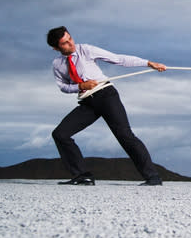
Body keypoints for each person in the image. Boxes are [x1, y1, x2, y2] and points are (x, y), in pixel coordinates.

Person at [47, 26, 167, 186]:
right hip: (88, 102)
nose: (71, 43)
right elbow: (63, 87)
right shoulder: (57, 64)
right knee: (60, 134)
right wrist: (81, 86)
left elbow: (118, 59)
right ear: (56, 48)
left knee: (125, 135)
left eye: (70, 38)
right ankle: (82, 176)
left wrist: (148, 63)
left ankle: (153, 177)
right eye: (65, 43)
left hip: (106, 96)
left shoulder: (86, 50)